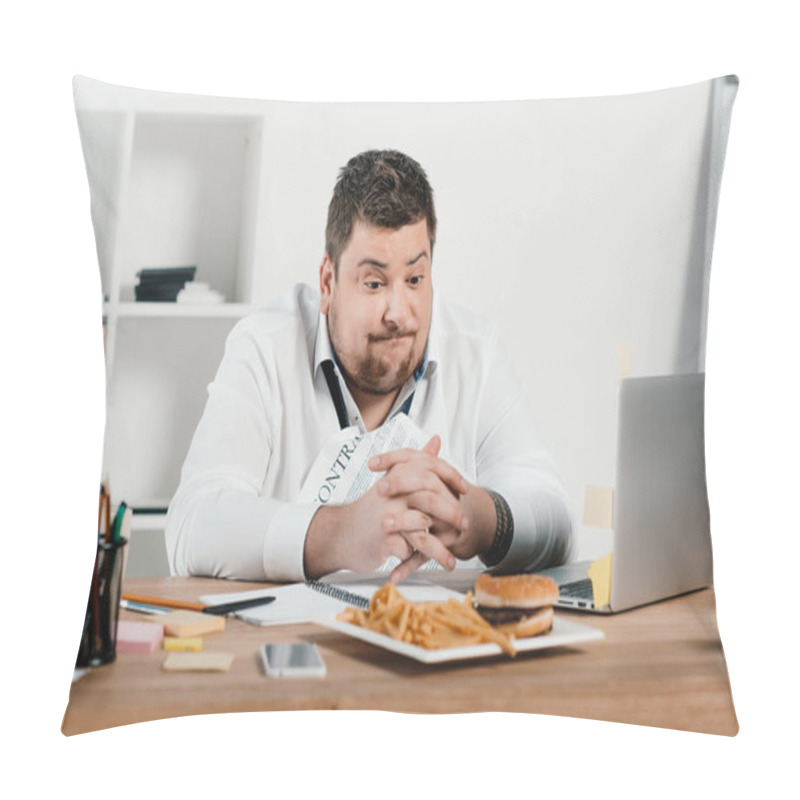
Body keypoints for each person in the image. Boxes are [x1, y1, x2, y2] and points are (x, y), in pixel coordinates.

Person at [166, 149, 572, 584]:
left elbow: (557, 524)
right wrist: (340, 533)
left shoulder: (476, 352)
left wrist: (477, 518)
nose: (399, 313)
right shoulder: (264, 347)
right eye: (374, 283)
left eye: (415, 279)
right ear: (328, 283)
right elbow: (192, 526)